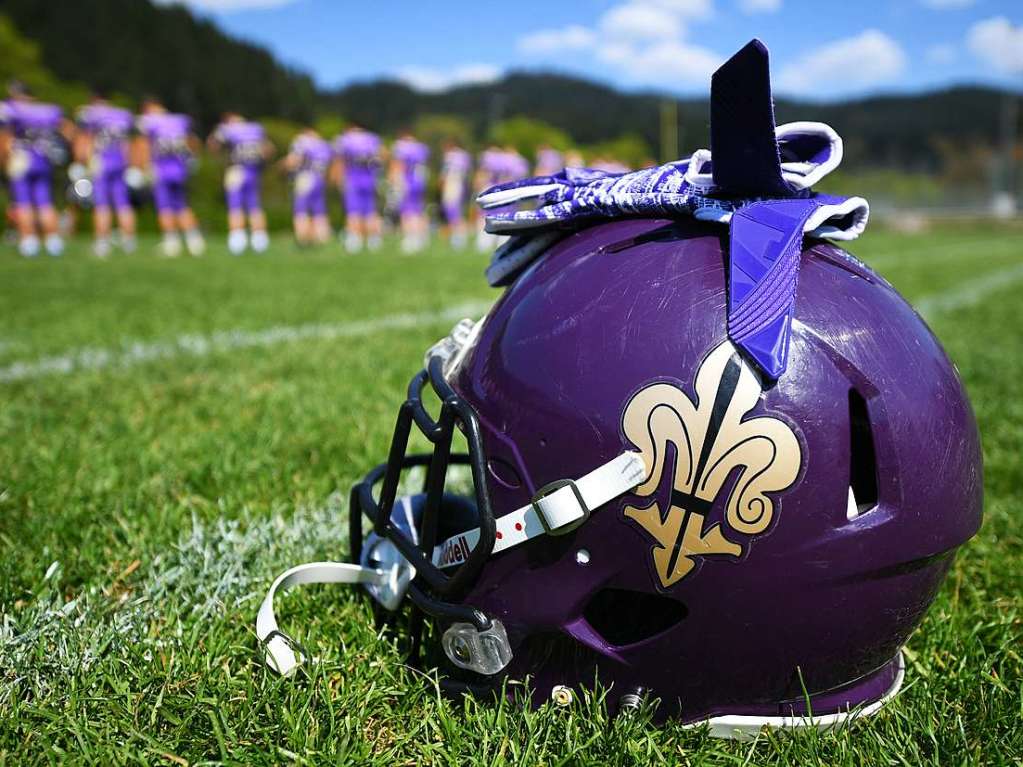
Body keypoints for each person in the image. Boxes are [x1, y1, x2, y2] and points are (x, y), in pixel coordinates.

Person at [0, 82, 66, 257]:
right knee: (45, 203)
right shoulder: (47, 111)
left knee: (23, 203)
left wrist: (5, 162)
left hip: (22, 160)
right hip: (43, 160)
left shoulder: (11, 109)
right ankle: (53, 242)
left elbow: (5, 139)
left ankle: (29, 242)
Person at [135, 98, 204, 257]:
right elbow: (194, 142)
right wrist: (191, 159)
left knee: (164, 207)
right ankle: (194, 241)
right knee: (182, 206)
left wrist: (145, 166)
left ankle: (171, 242)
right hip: (180, 171)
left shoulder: (149, 121)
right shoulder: (179, 120)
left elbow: (144, 144)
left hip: (162, 170)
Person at [75, 93, 136, 257]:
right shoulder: (121, 115)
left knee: (101, 204)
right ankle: (129, 242)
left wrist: (82, 162)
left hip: (101, 162)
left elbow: (85, 141)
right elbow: (126, 145)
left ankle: (102, 242)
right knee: (123, 204)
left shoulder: (90, 114)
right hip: (120, 163)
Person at [208, 112, 272, 255]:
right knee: (255, 207)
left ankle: (238, 241)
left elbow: (213, 145)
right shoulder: (255, 129)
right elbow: (268, 150)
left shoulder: (228, 129)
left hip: (237, 170)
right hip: (254, 171)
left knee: (235, 206)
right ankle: (260, 241)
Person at [333, 126, 382, 253]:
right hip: (370, 179)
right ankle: (373, 239)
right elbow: (382, 157)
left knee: (353, 211)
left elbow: (339, 161)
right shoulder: (372, 139)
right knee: (370, 211)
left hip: (353, 179)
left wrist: (337, 179)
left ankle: (355, 239)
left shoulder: (345, 139)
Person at [283, 128, 332, 246]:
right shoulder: (324, 145)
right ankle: (322, 239)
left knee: (301, 211)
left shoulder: (302, 142)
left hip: (305, 178)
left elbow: (293, 160)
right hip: (320, 179)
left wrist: (283, 167)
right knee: (319, 211)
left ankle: (303, 238)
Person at [390, 133, 429, 253]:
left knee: (407, 211)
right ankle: (421, 236)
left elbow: (398, 165)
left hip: (407, 180)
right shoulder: (421, 148)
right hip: (419, 181)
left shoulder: (401, 147)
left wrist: (395, 181)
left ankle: (410, 237)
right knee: (418, 210)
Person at [439, 141, 471, 249]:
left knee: (452, 211)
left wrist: (441, 184)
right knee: (457, 211)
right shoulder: (464, 156)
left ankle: (458, 237)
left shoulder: (450, 156)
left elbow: (445, 173)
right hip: (460, 185)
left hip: (452, 183)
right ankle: (459, 236)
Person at [473, 145, 505, 252]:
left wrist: (478, 184)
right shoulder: (506, 159)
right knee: (501, 215)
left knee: (484, 215)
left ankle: (484, 242)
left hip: (489, 187)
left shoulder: (487, 157)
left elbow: (482, 173)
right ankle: (500, 241)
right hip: (503, 189)